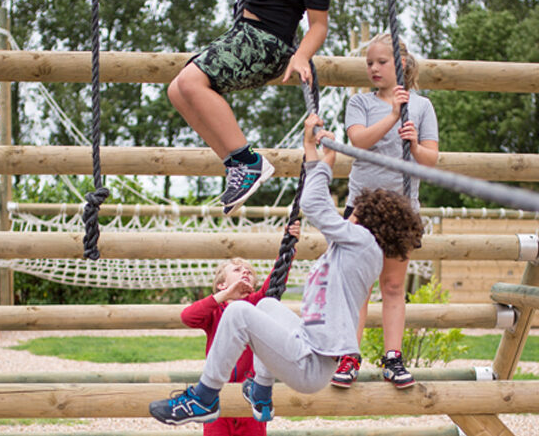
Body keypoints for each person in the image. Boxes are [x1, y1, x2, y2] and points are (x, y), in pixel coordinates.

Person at [148, 113, 423, 425]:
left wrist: (319, 160)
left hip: (310, 364)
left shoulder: (362, 243)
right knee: (266, 305)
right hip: (308, 349)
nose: (347, 215)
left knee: (238, 312)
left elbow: (315, 205)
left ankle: (204, 397)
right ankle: (261, 391)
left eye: (353, 212)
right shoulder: (355, 248)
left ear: (365, 221)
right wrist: (318, 159)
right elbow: (318, 206)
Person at [167, 0, 333, 214]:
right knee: (177, 90)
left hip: (267, 42)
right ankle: (235, 165)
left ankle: (249, 161)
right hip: (243, 33)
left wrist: (301, 56)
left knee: (192, 81)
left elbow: (319, 25)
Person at [331, 33, 439, 389]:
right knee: (357, 286)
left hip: (400, 209)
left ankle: (393, 357)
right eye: (370, 63)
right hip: (363, 207)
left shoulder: (421, 107)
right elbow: (359, 142)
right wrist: (393, 115)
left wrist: (412, 143)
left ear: (401, 65)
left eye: (382, 62)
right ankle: (349, 354)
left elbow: (430, 159)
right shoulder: (360, 102)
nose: (374, 68)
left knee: (393, 286)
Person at [181, 220, 300, 436]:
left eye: (249, 271)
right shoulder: (215, 312)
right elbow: (188, 317)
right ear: (221, 284)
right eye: (237, 270)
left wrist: (289, 243)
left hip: (250, 396)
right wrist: (224, 297)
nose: (245, 272)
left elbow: (276, 279)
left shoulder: (256, 304)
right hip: (218, 398)